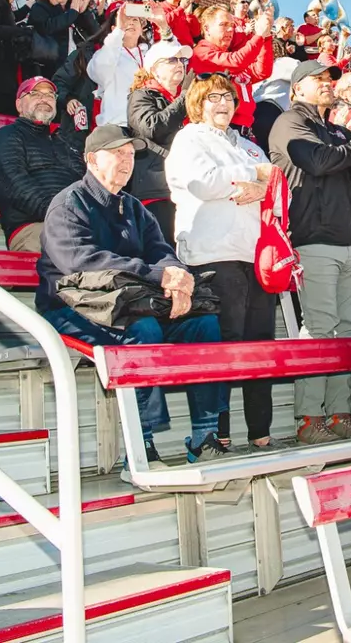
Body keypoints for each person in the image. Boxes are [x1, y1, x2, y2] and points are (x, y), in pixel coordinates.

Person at [36, 123, 226, 465]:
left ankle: (205, 435)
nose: (127, 161)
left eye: (130, 154)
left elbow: (161, 251)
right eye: (117, 153)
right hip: (71, 309)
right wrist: (158, 273)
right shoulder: (67, 204)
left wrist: (176, 277)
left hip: (128, 304)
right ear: (93, 160)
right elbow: (82, 262)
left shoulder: (135, 207)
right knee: (143, 329)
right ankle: (141, 445)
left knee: (204, 326)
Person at [269, 60, 351, 443]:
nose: (325, 83)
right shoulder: (289, 122)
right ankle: (308, 418)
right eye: (316, 79)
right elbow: (318, 162)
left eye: (328, 79)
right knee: (320, 328)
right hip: (314, 237)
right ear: (295, 89)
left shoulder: (336, 129)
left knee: (347, 330)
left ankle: (339, 413)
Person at [165, 74, 276, 451]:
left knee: (260, 348)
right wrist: (250, 178)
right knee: (224, 348)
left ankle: (261, 433)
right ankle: (218, 434)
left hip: (254, 256)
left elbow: (274, 185)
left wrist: (259, 186)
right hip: (212, 255)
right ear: (198, 103)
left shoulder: (249, 146)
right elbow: (202, 182)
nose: (222, 103)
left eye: (227, 96)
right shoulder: (189, 138)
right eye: (212, 97)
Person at [0, 76, 86, 252]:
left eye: (50, 95)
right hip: (33, 230)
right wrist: (64, 214)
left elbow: (85, 184)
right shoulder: (7, 137)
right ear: (19, 105)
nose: (44, 99)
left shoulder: (64, 143)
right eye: (35, 94)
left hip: (75, 227)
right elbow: (16, 186)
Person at [125, 42, 193, 243]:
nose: (180, 64)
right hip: (157, 191)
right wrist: (184, 98)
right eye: (172, 60)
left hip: (186, 189)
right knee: (165, 255)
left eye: (182, 60)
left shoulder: (185, 99)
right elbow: (153, 128)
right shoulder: (140, 96)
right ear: (153, 69)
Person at [189, 3, 275, 131]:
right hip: (218, 128)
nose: (230, 30)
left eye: (232, 26)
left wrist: (266, 36)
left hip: (244, 130)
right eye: (223, 25)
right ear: (206, 29)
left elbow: (261, 71)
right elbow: (237, 61)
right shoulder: (201, 52)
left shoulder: (227, 55)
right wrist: (259, 36)